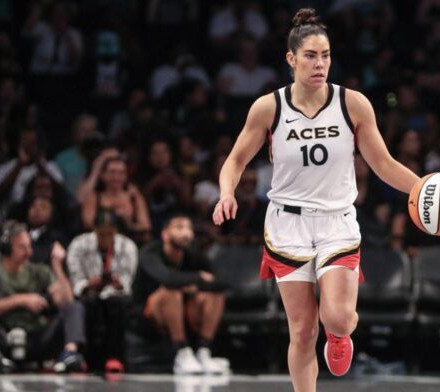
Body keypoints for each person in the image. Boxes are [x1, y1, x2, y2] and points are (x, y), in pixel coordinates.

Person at [212, 9, 420, 391]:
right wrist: (227, 192)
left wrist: (421, 187)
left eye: (325, 55)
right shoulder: (268, 107)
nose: (320, 63)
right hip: (287, 223)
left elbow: (384, 164)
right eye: (310, 55)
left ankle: (340, 336)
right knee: (304, 330)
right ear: (291, 59)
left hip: (336, 220)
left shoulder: (352, 104)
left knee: (337, 318)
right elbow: (236, 160)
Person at [0, 221, 85, 376]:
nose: (29, 252)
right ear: (7, 248)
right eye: (23, 247)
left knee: (74, 307)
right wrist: (21, 300)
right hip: (6, 336)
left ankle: (70, 354)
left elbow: (65, 301)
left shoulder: (39, 271)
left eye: (29, 246)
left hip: (37, 336)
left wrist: (57, 266)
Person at [132, 213, 228, 374]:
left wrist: (193, 285)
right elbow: (167, 278)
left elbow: (220, 282)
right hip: (148, 315)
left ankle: (203, 352)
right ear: (165, 234)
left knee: (215, 295)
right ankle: (182, 352)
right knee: (171, 291)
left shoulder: (192, 253)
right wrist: (197, 277)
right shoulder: (150, 252)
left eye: (189, 228)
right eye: (179, 227)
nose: (186, 233)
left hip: (185, 314)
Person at [67, 208, 137, 373]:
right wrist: (89, 284)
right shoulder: (78, 245)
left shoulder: (127, 246)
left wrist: (117, 283)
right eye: (102, 233)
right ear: (95, 230)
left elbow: (128, 281)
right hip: (88, 293)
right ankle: (83, 356)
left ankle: (114, 357)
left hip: (115, 294)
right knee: (88, 305)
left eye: (109, 233)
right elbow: (76, 281)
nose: (106, 238)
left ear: (116, 231)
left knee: (116, 305)